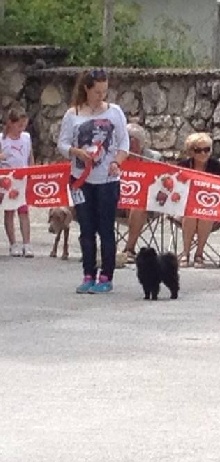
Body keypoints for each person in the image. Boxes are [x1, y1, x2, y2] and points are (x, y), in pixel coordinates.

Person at [57, 68, 130, 294]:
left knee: (106, 229)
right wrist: (77, 153)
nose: (101, 97)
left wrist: (117, 161)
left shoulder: (115, 112)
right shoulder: (73, 114)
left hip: (107, 180)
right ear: (87, 89)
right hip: (81, 179)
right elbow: (62, 144)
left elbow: (123, 144)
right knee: (86, 229)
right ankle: (88, 273)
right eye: (97, 92)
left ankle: (106, 275)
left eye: (104, 92)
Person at [176, 132, 220, 268]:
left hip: (210, 206)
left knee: (205, 214)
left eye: (207, 150)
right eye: (198, 150)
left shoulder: (216, 167)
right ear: (191, 151)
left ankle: (199, 253)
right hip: (184, 206)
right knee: (191, 213)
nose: (203, 153)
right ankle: (185, 253)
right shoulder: (182, 166)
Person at [121, 122, 162, 263]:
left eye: (134, 142)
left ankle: (129, 249)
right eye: (128, 142)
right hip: (119, 200)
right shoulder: (117, 157)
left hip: (146, 202)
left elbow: (161, 182)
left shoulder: (153, 158)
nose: (131, 146)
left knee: (138, 206)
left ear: (141, 144)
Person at [1, 106, 35, 258]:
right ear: (11, 123)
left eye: (24, 125)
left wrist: (33, 171)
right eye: (19, 125)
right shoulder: (3, 140)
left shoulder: (26, 138)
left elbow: (30, 156)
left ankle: (27, 243)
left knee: (24, 210)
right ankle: (13, 243)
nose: (22, 129)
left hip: (23, 177)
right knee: (9, 211)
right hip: (7, 180)